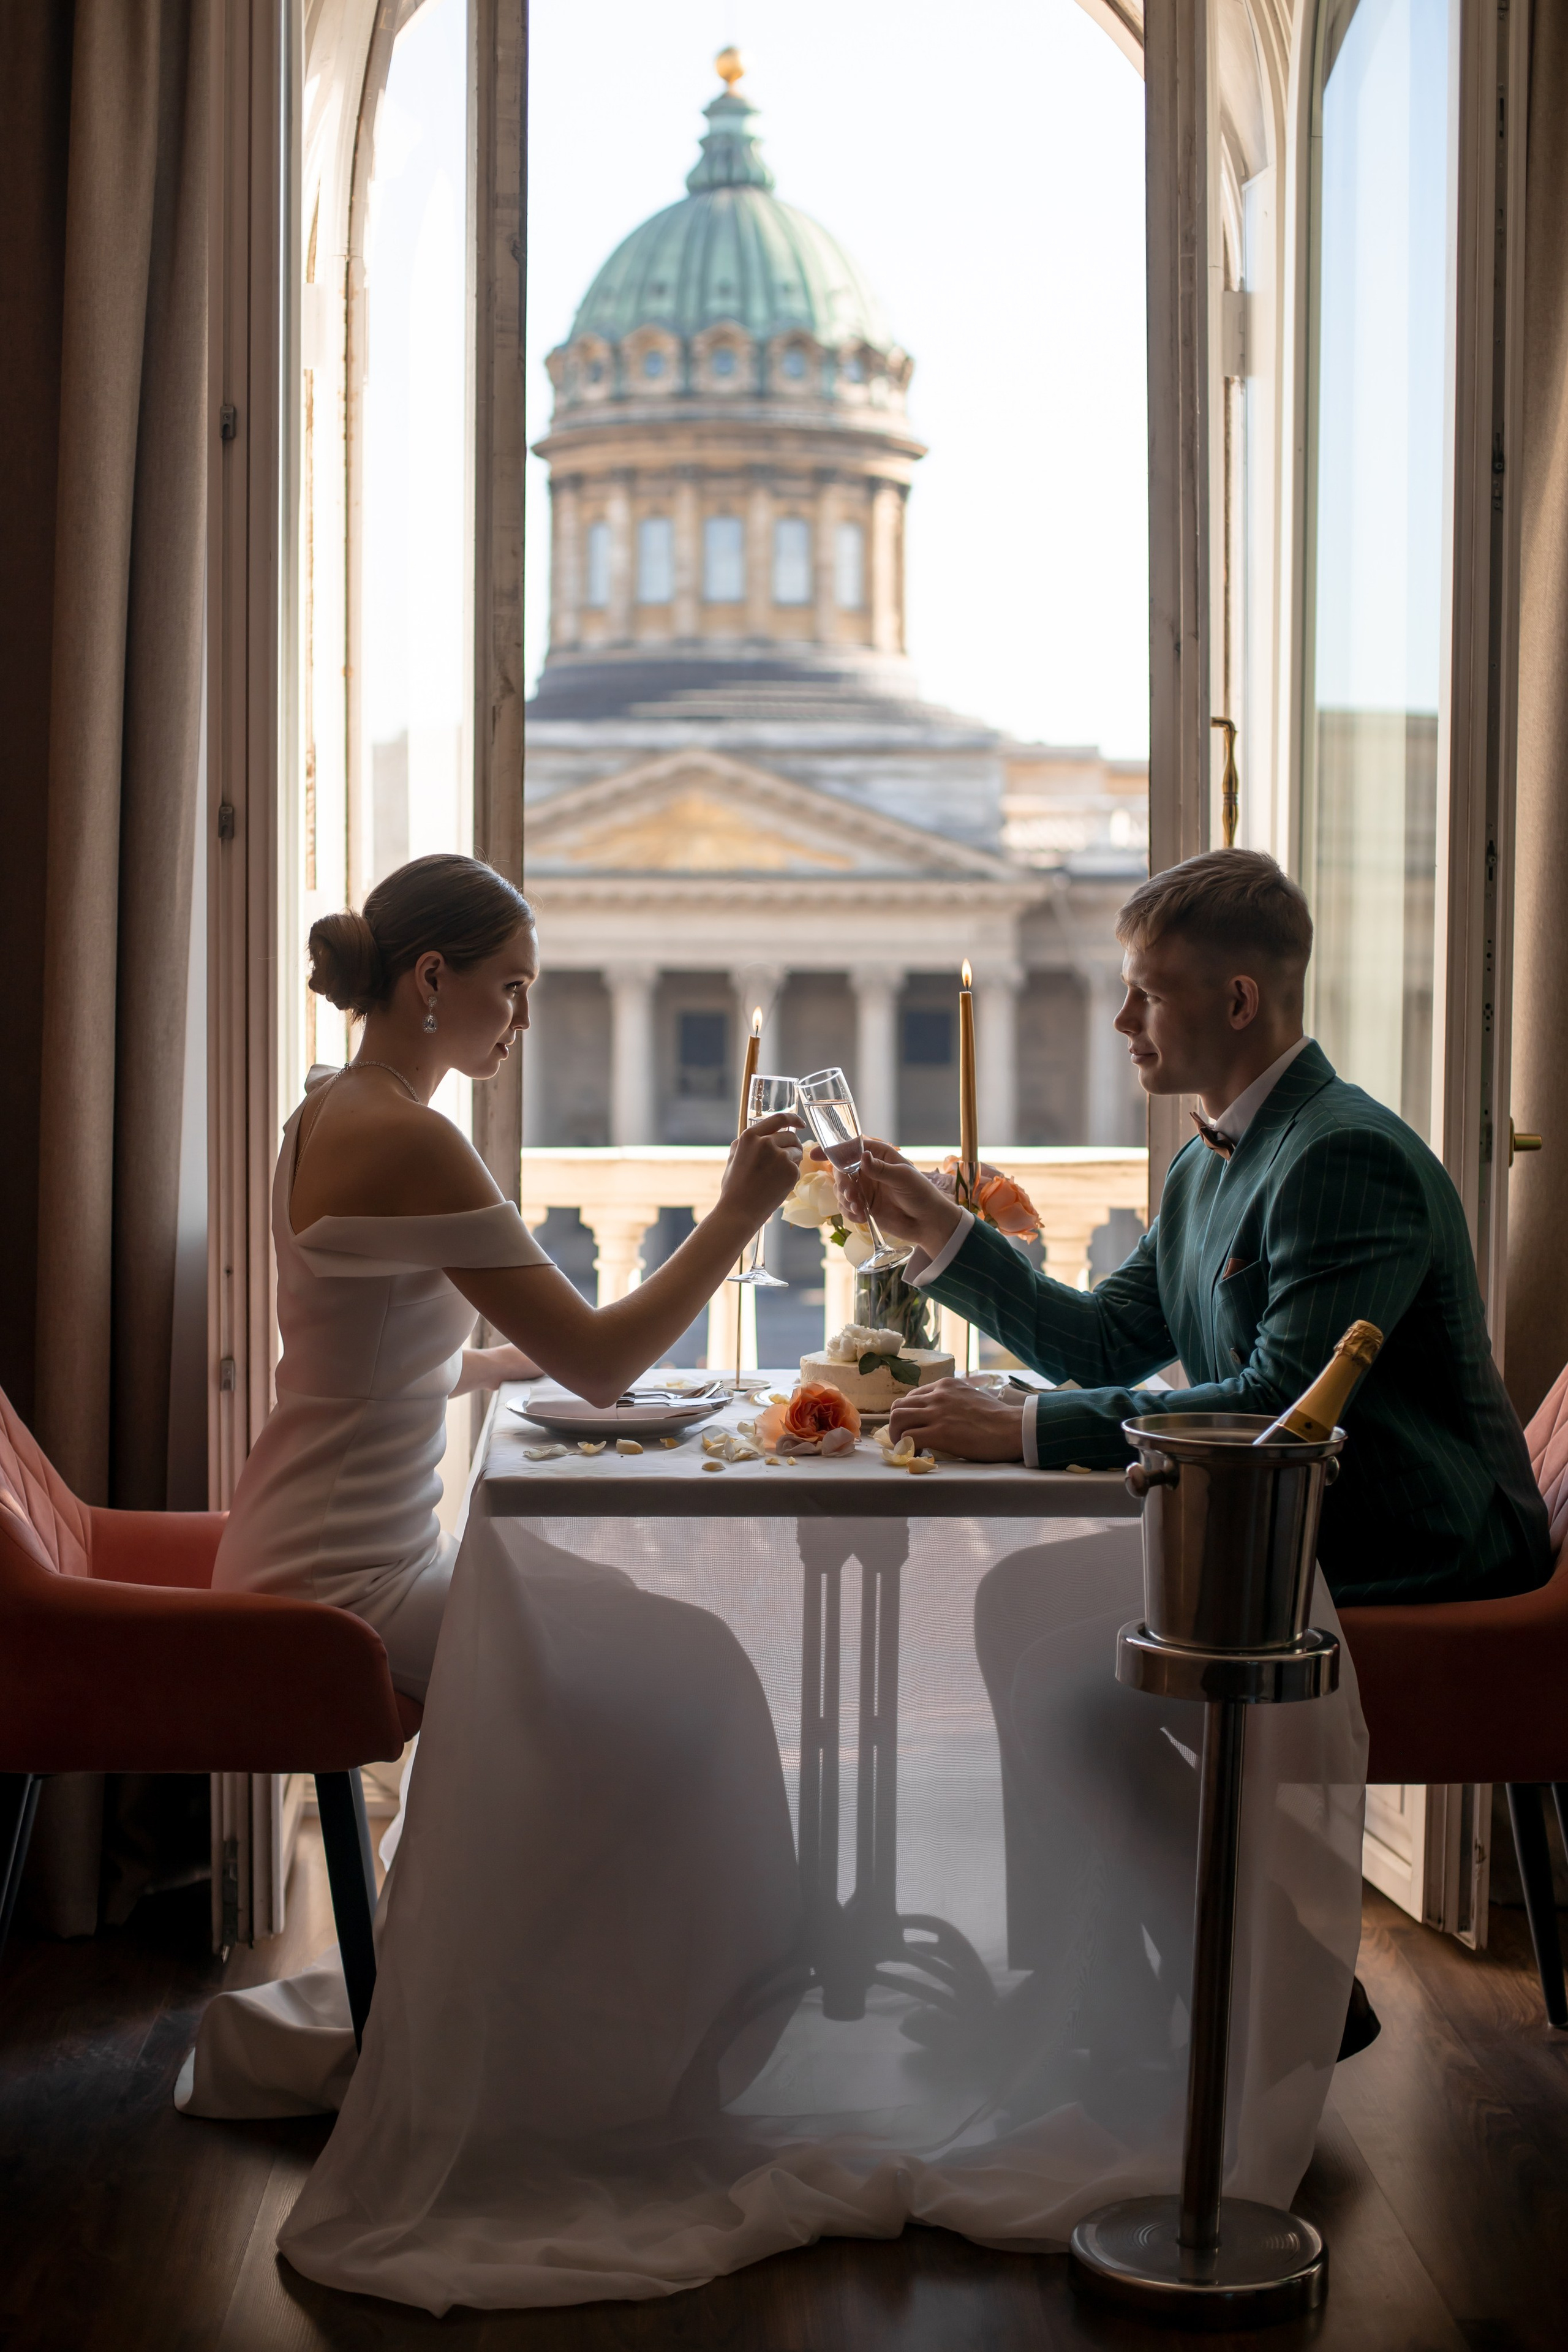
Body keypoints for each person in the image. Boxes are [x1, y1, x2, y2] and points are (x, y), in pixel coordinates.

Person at [842, 849, 1550, 1608]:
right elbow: (1107, 1344)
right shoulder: (1203, 1158)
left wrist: (1025, 1426)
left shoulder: (1346, 1155)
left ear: (1239, 1002)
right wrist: (939, 1226)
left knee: (1024, 1600)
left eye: (1147, 994)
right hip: (1286, 1529)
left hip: (1414, 1557)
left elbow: (1281, 1411)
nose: (1121, 1020)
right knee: (1021, 1596)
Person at [211, 852, 801, 1697]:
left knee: (637, 1626)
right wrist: (738, 1214)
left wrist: (498, 1365)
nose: (523, 1019)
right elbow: (600, 1370)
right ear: (431, 978)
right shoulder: (410, 1139)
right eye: (513, 987)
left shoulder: (327, 1107)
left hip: (306, 1546)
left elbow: (359, 1353)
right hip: (337, 1589)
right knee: (698, 1659)